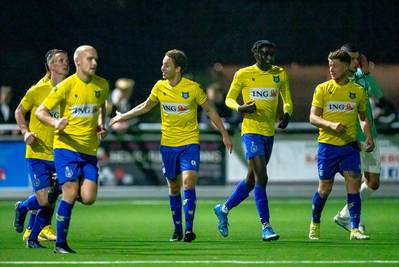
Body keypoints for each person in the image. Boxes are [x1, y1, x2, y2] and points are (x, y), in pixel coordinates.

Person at [110, 49, 232, 242]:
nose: (162, 68)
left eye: (167, 65)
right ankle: (177, 229)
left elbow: (210, 111)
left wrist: (224, 134)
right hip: (168, 146)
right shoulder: (159, 87)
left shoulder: (193, 88)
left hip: (189, 144)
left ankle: (190, 230)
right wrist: (121, 116)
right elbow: (145, 106)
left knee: (188, 183)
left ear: (178, 68)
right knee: (174, 188)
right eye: (162, 64)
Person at [214, 40, 293, 241]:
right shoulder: (243, 74)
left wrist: (287, 113)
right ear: (256, 53)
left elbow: (288, 100)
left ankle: (223, 209)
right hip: (250, 131)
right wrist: (239, 108)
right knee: (262, 177)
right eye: (265, 54)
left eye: (272, 55)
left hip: (269, 133)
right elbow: (229, 99)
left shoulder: (279, 74)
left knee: (251, 181)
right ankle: (266, 226)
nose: (269, 58)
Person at [36, 45, 109, 253]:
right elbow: (41, 111)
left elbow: (102, 104)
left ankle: (64, 184)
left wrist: (102, 123)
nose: (94, 62)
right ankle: (60, 244)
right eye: (89, 59)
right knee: (71, 191)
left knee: (88, 198)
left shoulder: (102, 85)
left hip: (88, 150)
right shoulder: (66, 86)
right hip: (66, 147)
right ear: (78, 62)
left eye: (95, 59)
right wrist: (54, 122)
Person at [308, 49, 374, 241]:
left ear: (346, 66)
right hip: (327, 146)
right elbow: (312, 117)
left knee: (353, 185)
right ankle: (315, 222)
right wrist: (330, 125)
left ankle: (354, 229)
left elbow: (363, 118)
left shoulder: (358, 91)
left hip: (350, 146)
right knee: (324, 189)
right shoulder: (322, 89)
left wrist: (368, 135)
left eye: (335, 65)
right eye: (329, 65)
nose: (331, 69)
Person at [14, 49, 69, 248]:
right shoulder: (38, 90)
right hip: (38, 152)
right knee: (45, 199)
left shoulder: (72, 87)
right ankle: (22, 208)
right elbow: (19, 111)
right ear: (50, 66)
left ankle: (33, 234)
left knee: (54, 197)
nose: (65, 63)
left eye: (66, 60)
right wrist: (25, 132)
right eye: (60, 61)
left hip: (61, 151)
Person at [333, 43, 385, 234]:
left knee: (373, 182)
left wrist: (368, 74)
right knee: (353, 180)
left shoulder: (362, 77)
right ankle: (353, 222)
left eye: (356, 58)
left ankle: (344, 216)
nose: (354, 62)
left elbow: (379, 95)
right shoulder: (339, 80)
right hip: (351, 137)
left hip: (369, 134)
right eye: (350, 58)